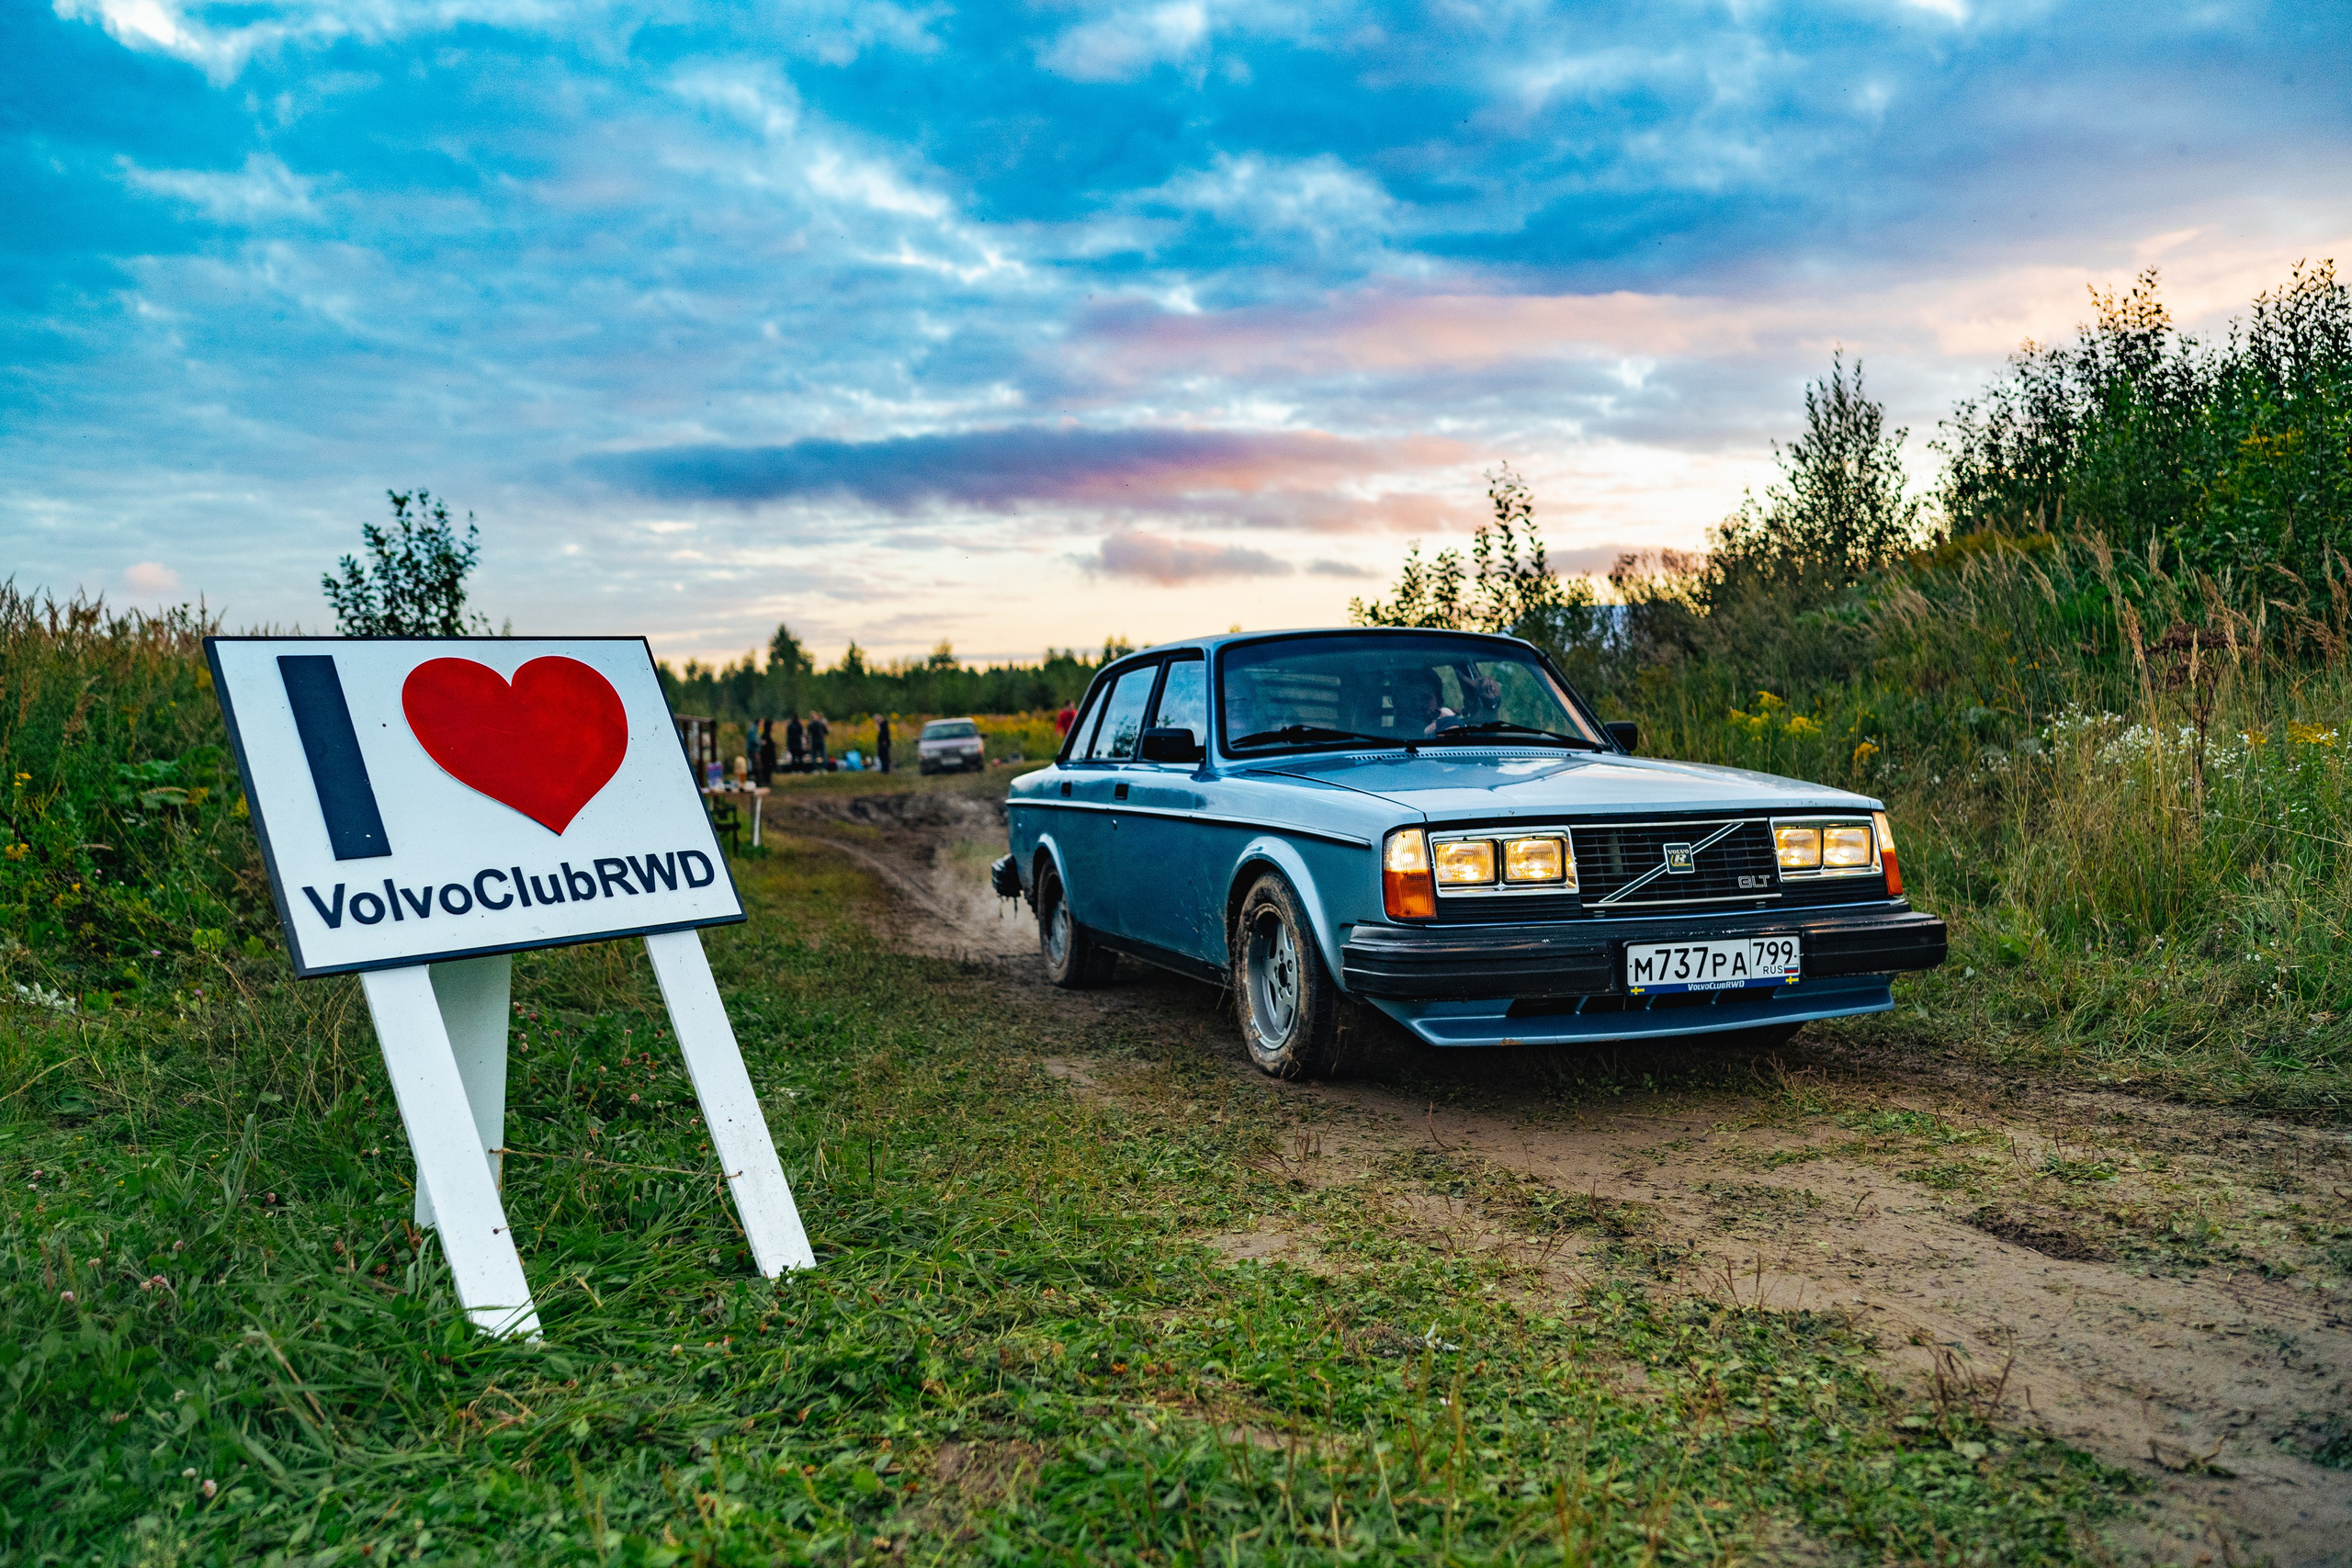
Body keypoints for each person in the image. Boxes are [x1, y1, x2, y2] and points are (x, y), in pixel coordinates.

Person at [755, 719, 776, 786]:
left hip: (767, 754)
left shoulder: (766, 734)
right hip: (767, 755)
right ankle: (767, 780)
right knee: (768, 767)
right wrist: (773, 744)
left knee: (768, 767)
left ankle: (767, 780)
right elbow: (766, 744)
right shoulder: (766, 735)